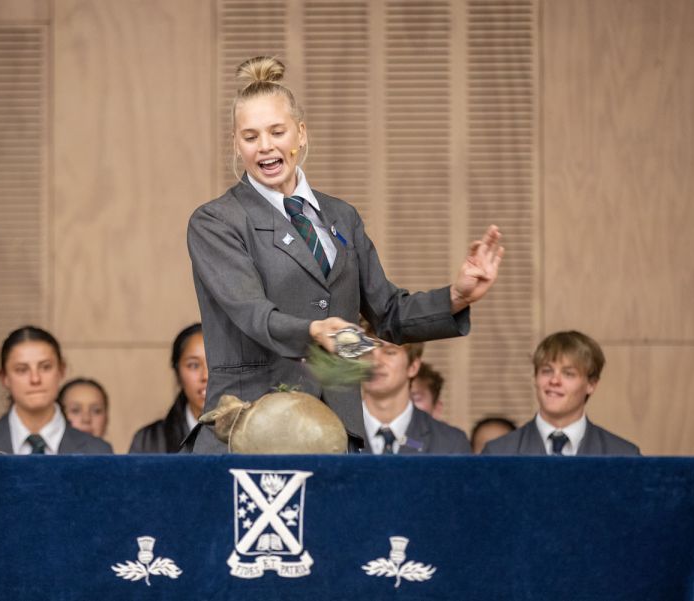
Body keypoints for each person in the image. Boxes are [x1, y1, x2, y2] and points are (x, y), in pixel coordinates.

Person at [187, 56, 503, 453]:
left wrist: (457, 295)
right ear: (236, 143)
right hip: (248, 430)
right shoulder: (217, 221)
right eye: (250, 137)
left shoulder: (341, 216)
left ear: (300, 134)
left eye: (277, 131)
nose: (265, 147)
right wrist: (314, 331)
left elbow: (388, 312)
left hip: (334, 433)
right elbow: (253, 314)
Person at [0, 326, 112, 455]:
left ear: (61, 371)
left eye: (45, 367)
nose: (35, 379)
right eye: (21, 369)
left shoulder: (97, 451)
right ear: (4, 378)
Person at [482, 331, 640, 456]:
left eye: (568, 373)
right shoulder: (498, 452)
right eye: (546, 371)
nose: (554, 380)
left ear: (591, 384)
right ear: (535, 378)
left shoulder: (624, 455)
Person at [361, 337, 470, 454]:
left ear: (413, 366)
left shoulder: (450, 442)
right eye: (366, 351)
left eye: (389, 352)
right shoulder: (341, 431)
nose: (374, 362)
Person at [130, 323, 208, 453]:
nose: (205, 375)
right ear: (177, 372)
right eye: (194, 365)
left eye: (214, 365)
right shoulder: (150, 440)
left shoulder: (249, 436)